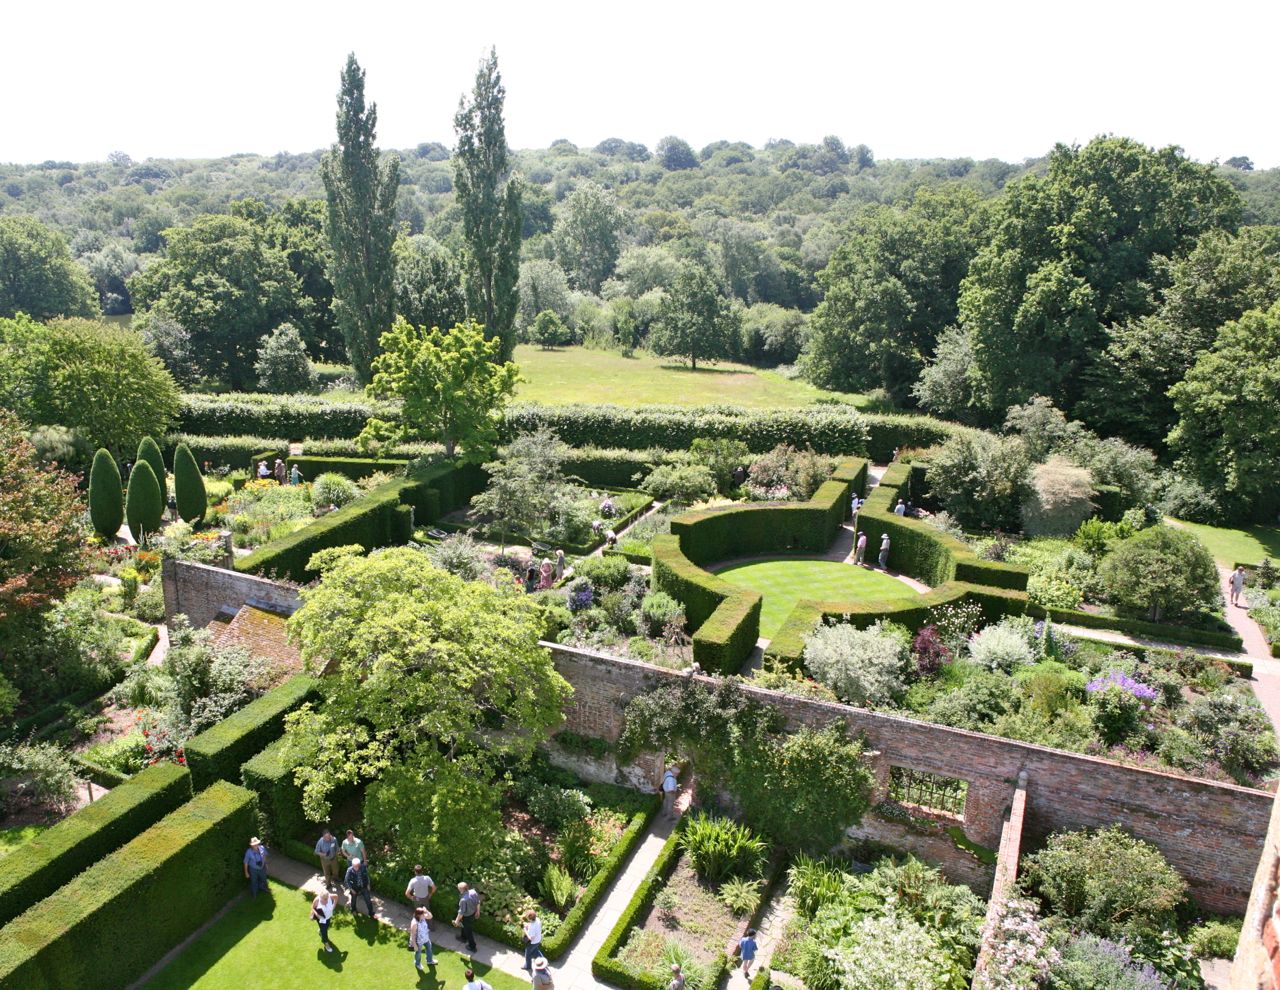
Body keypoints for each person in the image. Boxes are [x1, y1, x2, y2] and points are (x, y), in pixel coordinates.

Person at [455, 881, 481, 952]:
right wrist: (478, 911)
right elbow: (478, 902)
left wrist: (456, 921)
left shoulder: (463, 900)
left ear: (461, 889)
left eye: (458, 889)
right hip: (473, 914)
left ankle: (472, 946)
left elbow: (461, 912)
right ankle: (463, 938)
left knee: (468, 931)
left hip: (467, 916)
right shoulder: (473, 892)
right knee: (464, 926)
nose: (458, 890)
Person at [410, 906, 435, 970]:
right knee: (418, 953)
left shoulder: (423, 918)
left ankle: (429, 961)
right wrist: (415, 945)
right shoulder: (414, 923)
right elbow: (413, 935)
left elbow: (430, 916)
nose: (424, 915)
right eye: (423, 914)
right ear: (418, 915)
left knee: (429, 949)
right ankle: (417, 964)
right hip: (418, 941)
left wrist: (426, 911)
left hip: (426, 938)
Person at [311, 888, 336, 953]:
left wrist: (334, 906)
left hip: (328, 916)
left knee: (326, 927)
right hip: (321, 918)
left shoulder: (331, 896)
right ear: (320, 896)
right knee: (324, 932)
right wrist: (317, 915)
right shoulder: (317, 900)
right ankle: (326, 943)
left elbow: (336, 897)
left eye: (326, 899)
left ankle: (321, 931)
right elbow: (313, 908)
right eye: (323, 899)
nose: (325, 901)